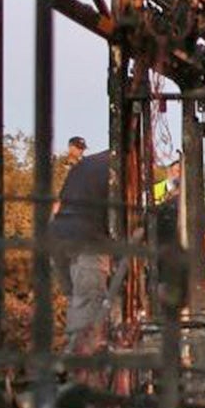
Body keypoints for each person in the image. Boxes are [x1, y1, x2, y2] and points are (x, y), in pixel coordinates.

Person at [50, 148, 114, 352]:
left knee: (76, 302)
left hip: (58, 236)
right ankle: (83, 370)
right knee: (88, 305)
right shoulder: (116, 169)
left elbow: (58, 206)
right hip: (88, 240)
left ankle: (74, 363)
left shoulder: (85, 165)